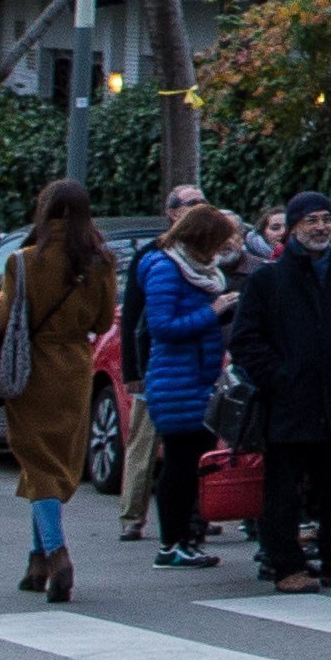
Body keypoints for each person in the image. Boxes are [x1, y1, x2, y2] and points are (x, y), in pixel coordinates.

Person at [238, 194, 331, 593]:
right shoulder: (269, 279)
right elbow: (247, 341)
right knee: (284, 490)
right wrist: (280, 379)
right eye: (311, 220)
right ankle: (286, 566)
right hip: (288, 402)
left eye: (325, 219)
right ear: (296, 226)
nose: (320, 227)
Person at [0, 180, 121, 606]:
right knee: (50, 457)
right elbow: (104, 323)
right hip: (75, 366)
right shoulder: (100, 261)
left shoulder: (23, 262)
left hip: (30, 368)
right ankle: (36, 563)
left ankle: (57, 554)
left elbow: (3, 318)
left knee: (36, 457)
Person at [129, 202, 240, 572]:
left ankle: (187, 539)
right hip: (176, 380)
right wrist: (213, 311)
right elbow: (162, 326)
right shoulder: (165, 268)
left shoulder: (197, 270)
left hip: (197, 378)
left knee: (194, 462)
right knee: (179, 464)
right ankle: (172, 542)